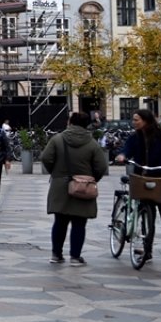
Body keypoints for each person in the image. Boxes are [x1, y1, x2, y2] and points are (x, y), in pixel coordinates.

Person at [117, 109, 161, 265]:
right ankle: (147, 251)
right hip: (143, 179)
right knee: (146, 216)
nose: (134, 123)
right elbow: (127, 149)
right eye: (133, 120)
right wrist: (123, 155)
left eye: (136, 120)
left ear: (146, 121)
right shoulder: (135, 137)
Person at [41, 111, 109, 266]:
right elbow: (102, 166)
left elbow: (45, 158)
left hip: (60, 186)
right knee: (79, 223)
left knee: (60, 221)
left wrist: (57, 173)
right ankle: (75, 257)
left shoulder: (57, 139)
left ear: (70, 122)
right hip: (83, 186)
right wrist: (91, 179)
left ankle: (56, 255)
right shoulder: (92, 143)